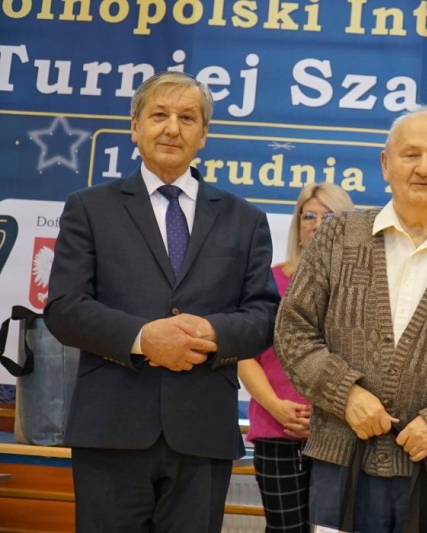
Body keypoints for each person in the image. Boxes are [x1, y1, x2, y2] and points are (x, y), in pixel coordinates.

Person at [43, 71, 280, 532]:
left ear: (203, 134)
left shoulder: (245, 219)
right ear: (135, 127)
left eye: (187, 118)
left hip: (202, 433)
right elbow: (65, 307)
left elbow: (264, 315)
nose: (173, 128)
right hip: (111, 430)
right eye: (159, 115)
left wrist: (212, 332)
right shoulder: (89, 208)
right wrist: (142, 338)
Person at [273, 106, 427, 532]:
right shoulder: (338, 236)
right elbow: (292, 331)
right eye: (411, 154)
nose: (423, 168)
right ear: (386, 165)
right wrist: (346, 395)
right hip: (343, 459)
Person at [238, 182, 354, 533]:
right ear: (298, 226)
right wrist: (275, 406)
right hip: (277, 428)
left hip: (338, 432)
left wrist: (324, 414)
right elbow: (245, 355)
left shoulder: (361, 291)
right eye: (309, 216)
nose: (317, 225)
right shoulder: (269, 282)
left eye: (328, 217)